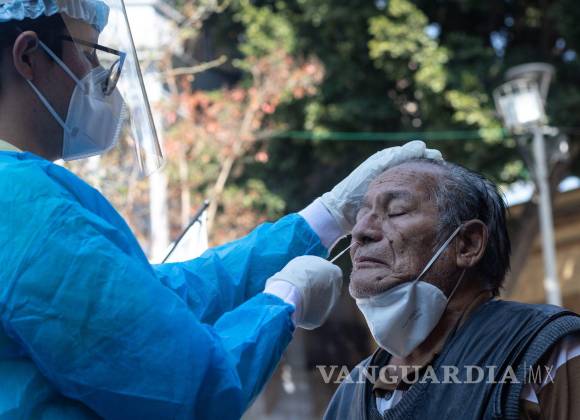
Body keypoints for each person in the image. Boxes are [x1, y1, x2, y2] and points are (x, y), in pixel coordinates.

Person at [0, 1, 442, 417]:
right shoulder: (25, 207)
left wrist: (325, 218)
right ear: (28, 56)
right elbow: (179, 383)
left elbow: (156, 302)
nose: (99, 74)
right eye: (88, 53)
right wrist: (282, 301)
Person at [323, 158, 580, 419]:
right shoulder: (350, 395)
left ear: (467, 244)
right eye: (361, 215)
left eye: (396, 211)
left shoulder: (547, 351)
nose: (360, 231)